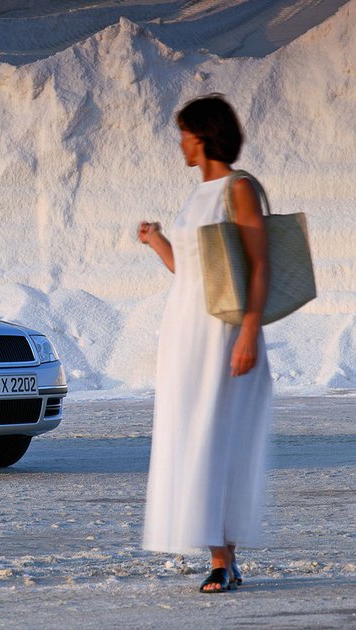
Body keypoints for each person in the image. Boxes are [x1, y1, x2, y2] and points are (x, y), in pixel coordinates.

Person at [137, 94, 274, 594]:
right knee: (191, 434)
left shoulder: (239, 189)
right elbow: (191, 271)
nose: (180, 143)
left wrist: (250, 332)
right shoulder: (196, 195)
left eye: (183, 134)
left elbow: (260, 264)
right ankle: (222, 558)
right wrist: (157, 241)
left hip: (224, 331)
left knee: (217, 437)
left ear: (202, 135)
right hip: (184, 329)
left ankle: (222, 559)